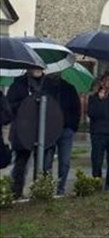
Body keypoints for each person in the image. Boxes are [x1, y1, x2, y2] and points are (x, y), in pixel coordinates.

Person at [6, 68, 62, 198]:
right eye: (34, 67)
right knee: (20, 165)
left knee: (44, 165)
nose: (37, 70)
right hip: (22, 131)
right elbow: (9, 107)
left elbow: (55, 107)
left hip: (44, 131)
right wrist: (27, 102)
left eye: (40, 67)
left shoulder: (50, 85)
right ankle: (16, 193)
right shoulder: (18, 84)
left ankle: (41, 192)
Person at [43, 75, 81, 195]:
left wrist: (72, 126)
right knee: (46, 162)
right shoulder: (44, 87)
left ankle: (60, 189)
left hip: (66, 129)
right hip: (49, 130)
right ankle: (46, 188)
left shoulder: (69, 88)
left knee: (64, 162)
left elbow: (77, 108)